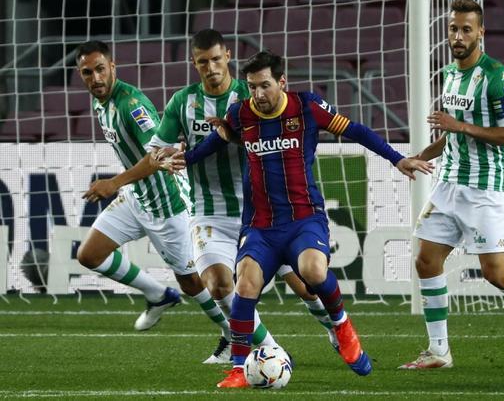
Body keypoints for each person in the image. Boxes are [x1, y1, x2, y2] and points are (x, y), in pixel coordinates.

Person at [161, 50, 434, 388]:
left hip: (303, 218)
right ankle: (239, 368)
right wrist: (184, 159)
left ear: (282, 82)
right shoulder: (240, 114)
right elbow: (214, 144)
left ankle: (342, 326)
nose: (258, 94)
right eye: (252, 87)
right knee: (245, 285)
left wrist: (396, 159)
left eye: (265, 85)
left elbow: (356, 130)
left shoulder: (306, 107)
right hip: (260, 225)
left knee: (313, 272)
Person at [107, 30, 339, 364]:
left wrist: (234, 137)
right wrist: (165, 158)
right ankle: (270, 350)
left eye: (216, 59)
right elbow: (156, 151)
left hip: (264, 210)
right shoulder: (182, 102)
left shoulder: (252, 94)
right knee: (217, 284)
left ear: (227, 56)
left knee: (304, 284)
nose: (211, 67)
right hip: (209, 210)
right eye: (203, 62)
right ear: (194, 63)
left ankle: (334, 328)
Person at [398, 0, 504, 370]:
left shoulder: (497, 77)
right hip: (449, 183)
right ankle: (439, 351)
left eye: (466, 29)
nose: (458, 36)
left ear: (481, 32)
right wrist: (421, 155)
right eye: (453, 29)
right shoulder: (449, 75)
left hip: (485, 188)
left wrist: (459, 126)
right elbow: (453, 134)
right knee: (426, 260)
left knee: (495, 273)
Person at [74, 41, 231, 345]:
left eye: (100, 69)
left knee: (192, 282)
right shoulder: (100, 102)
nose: (96, 78)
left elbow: (157, 154)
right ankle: (158, 294)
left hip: (167, 203)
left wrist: (114, 182)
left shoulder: (132, 106)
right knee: (89, 255)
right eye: (87, 72)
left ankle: (232, 334)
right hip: (136, 198)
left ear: (113, 67)